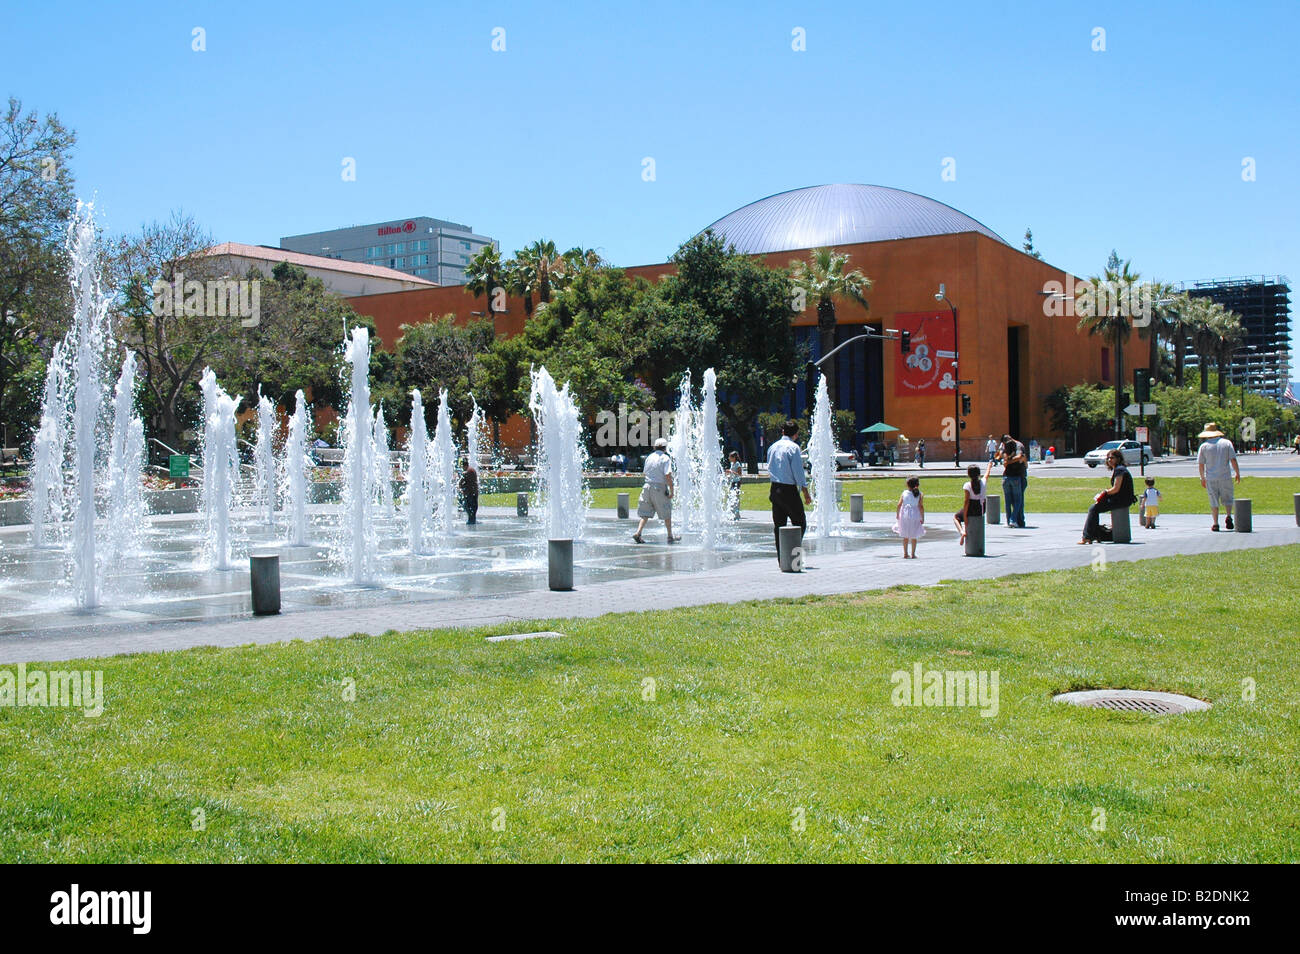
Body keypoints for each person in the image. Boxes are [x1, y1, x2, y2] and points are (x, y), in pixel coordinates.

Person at [766, 420, 812, 557]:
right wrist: (806, 493)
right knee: (800, 522)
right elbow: (798, 473)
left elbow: (769, 467)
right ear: (796, 434)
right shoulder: (793, 448)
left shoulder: (772, 447)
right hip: (788, 490)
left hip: (775, 488)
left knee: (779, 526)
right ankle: (792, 552)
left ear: (782, 431)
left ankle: (782, 557)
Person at [1079, 449, 1135, 544]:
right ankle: (1095, 535)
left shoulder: (1120, 470)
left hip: (1122, 500)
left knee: (1094, 509)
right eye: (1108, 458)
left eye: (1112, 458)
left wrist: (1104, 493)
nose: (1109, 460)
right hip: (1120, 498)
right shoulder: (1119, 469)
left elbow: (1116, 489)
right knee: (1095, 508)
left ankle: (1087, 537)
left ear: (1118, 459)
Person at [1196, 422, 1241, 531]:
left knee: (1213, 500)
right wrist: (1237, 473)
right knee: (1228, 498)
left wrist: (1202, 477)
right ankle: (1229, 516)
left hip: (1211, 478)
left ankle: (1215, 523)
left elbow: (1201, 464)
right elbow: (1233, 459)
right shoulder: (1226, 443)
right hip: (1225, 475)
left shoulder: (1204, 446)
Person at [633, 437, 677, 544]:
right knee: (666, 511)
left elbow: (645, 472)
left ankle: (638, 532)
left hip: (646, 487)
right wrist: (671, 490)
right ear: (665, 447)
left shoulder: (649, 457)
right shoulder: (665, 458)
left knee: (645, 513)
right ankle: (670, 536)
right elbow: (667, 475)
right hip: (659, 487)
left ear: (655, 446)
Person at [953, 461, 994, 545]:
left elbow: (966, 501)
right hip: (981, 509)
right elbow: (987, 474)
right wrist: (989, 466)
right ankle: (964, 530)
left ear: (968, 475)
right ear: (979, 474)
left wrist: (965, 516)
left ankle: (962, 532)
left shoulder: (967, 485)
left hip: (971, 509)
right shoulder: (983, 482)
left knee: (956, 517)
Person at [999, 434, 1028, 528]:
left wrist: (1008, 461)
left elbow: (1005, 462)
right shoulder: (1014, 446)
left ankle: (1011, 521)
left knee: (1009, 501)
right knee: (1018, 500)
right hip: (1017, 476)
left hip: (1007, 477)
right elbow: (1021, 458)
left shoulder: (1017, 446)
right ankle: (1015, 520)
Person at [893, 476, 925, 558]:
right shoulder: (920, 494)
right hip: (915, 515)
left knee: (905, 535)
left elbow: (899, 504)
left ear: (907, 485)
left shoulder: (904, 493)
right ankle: (913, 554)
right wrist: (922, 517)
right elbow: (921, 507)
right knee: (914, 536)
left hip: (904, 515)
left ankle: (905, 553)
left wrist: (897, 514)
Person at [459, 457, 479, 525]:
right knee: (474, 506)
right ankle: (473, 519)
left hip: (469, 493)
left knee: (468, 507)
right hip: (475, 492)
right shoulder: (473, 470)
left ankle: (471, 520)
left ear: (464, 466)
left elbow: (460, 483)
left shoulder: (466, 472)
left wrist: (461, 489)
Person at [727, 450, 743, 520]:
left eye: (730, 457)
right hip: (732, 482)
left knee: (736, 497)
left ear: (734, 457)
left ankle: (737, 514)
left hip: (736, 482)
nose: (728, 458)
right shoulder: (732, 464)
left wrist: (731, 472)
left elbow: (740, 474)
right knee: (731, 497)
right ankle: (732, 513)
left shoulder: (737, 464)